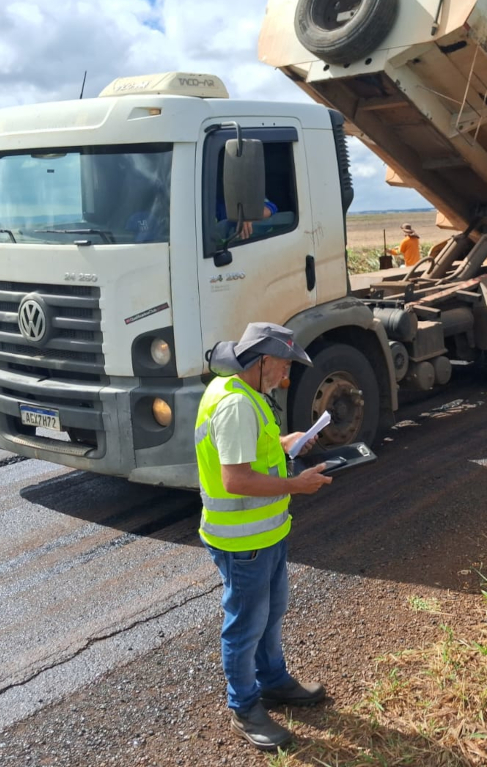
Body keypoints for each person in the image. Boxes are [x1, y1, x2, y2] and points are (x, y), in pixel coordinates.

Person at [195, 322, 333, 751]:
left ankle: (273, 681)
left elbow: (254, 451)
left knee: (270, 613)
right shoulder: (236, 405)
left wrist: (289, 442)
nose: (285, 377)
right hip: (243, 543)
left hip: (265, 533)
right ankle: (245, 707)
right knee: (246, 625)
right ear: (262, 361)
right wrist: (297, 485)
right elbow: (236, 479)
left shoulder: (244, 395)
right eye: (283, 367)